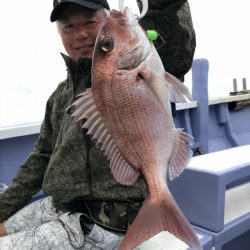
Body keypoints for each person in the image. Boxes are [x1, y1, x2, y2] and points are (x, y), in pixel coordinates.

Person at [0, 0, 196, 249]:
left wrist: (162, 5)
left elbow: (177, 46)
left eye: (90, 22)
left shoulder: (145, 62)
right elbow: (41, 156)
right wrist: (5, 205)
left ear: (105, 19)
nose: (80, 34)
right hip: (57, 206)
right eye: (69, 26)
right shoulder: (59, 95)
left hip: (100, 221)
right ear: (60, 33)